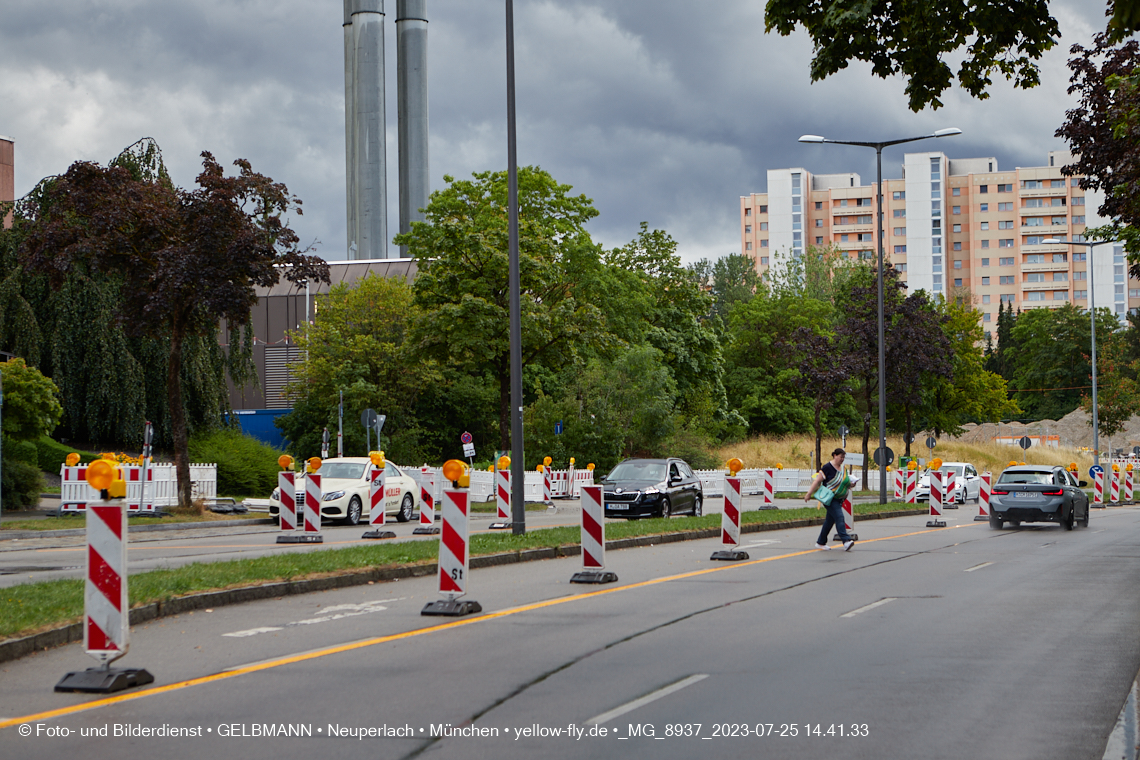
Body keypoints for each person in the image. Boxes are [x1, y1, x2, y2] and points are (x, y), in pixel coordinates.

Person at [805, 448, 855, 551]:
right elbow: (817, 481)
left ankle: (820, 542)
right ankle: (846, 541)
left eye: (843, 457)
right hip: (830, 499)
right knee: (839, 517)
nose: (842, 459)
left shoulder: (843, 468)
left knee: (829, 521)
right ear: (835, 456)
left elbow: (845, 483)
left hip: (839, 499)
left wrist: (851, 484)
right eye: (841, 457)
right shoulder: (827, 467)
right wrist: (809, 493)